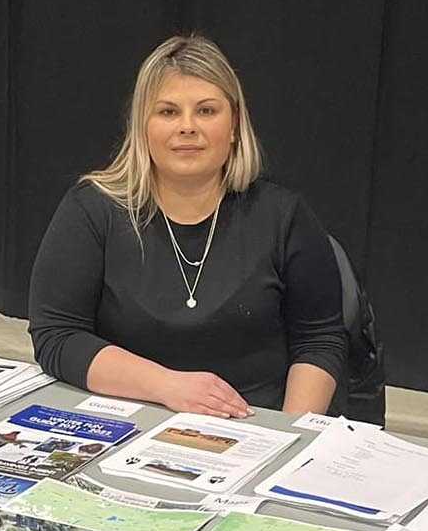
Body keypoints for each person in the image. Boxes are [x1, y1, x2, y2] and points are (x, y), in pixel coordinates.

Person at [29, 35, 346, 417]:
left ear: (233, 127)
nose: (187, 127)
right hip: (127, 418)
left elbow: (319, 340)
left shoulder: (284, 216)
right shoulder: (91, 210)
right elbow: (57, 337)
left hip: (255, 424)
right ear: (141, 127)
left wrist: (289, 435)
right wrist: (167, 386)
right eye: (167, 112)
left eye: (207, 111)